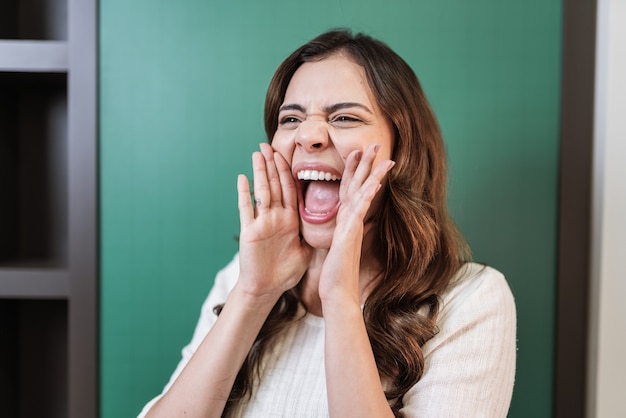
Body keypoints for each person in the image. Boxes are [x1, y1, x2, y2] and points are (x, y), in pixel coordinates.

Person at [139, 28, 516, 417]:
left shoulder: (472, 300)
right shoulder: (240, 279)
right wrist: (253, 295)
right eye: (291, 118)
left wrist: (340, 298)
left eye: (345, 117)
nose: (309, 135)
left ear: (401, 152)